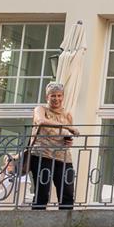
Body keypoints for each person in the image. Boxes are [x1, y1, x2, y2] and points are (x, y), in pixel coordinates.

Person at [29, 81, 77, 210]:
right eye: (53, 96)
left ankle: (66, 225)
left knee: (67, 192)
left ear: (63, 97)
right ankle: (37, 223)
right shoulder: (41, 109)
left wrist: (69, 141)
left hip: (63, 157)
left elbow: (67, 134)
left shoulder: (67, 115)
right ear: (47, 97)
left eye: (59, 95)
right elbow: (40, 121)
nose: (56, 99)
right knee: (42, 192)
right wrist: (66, 126)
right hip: (42, 155)